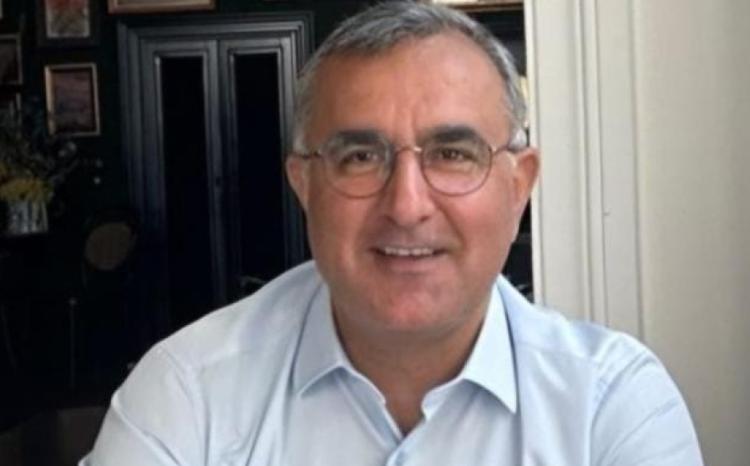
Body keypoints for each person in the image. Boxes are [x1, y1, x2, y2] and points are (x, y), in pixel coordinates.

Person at [81, 2, 703, 465]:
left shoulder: (610, 406)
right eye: (360, 156)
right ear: (304, 184)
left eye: (453, 154)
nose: (406, 206)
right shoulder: (187, 393)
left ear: (519, 186)